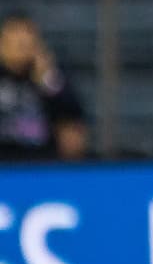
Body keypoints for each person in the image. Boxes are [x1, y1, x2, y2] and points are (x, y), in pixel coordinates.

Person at [0, 11, 89, 161]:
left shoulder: (49, 75)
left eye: (27, 43)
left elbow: (73, 115)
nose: (22, 48)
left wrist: (47, 82)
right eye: (16, 43)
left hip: (42, 160)